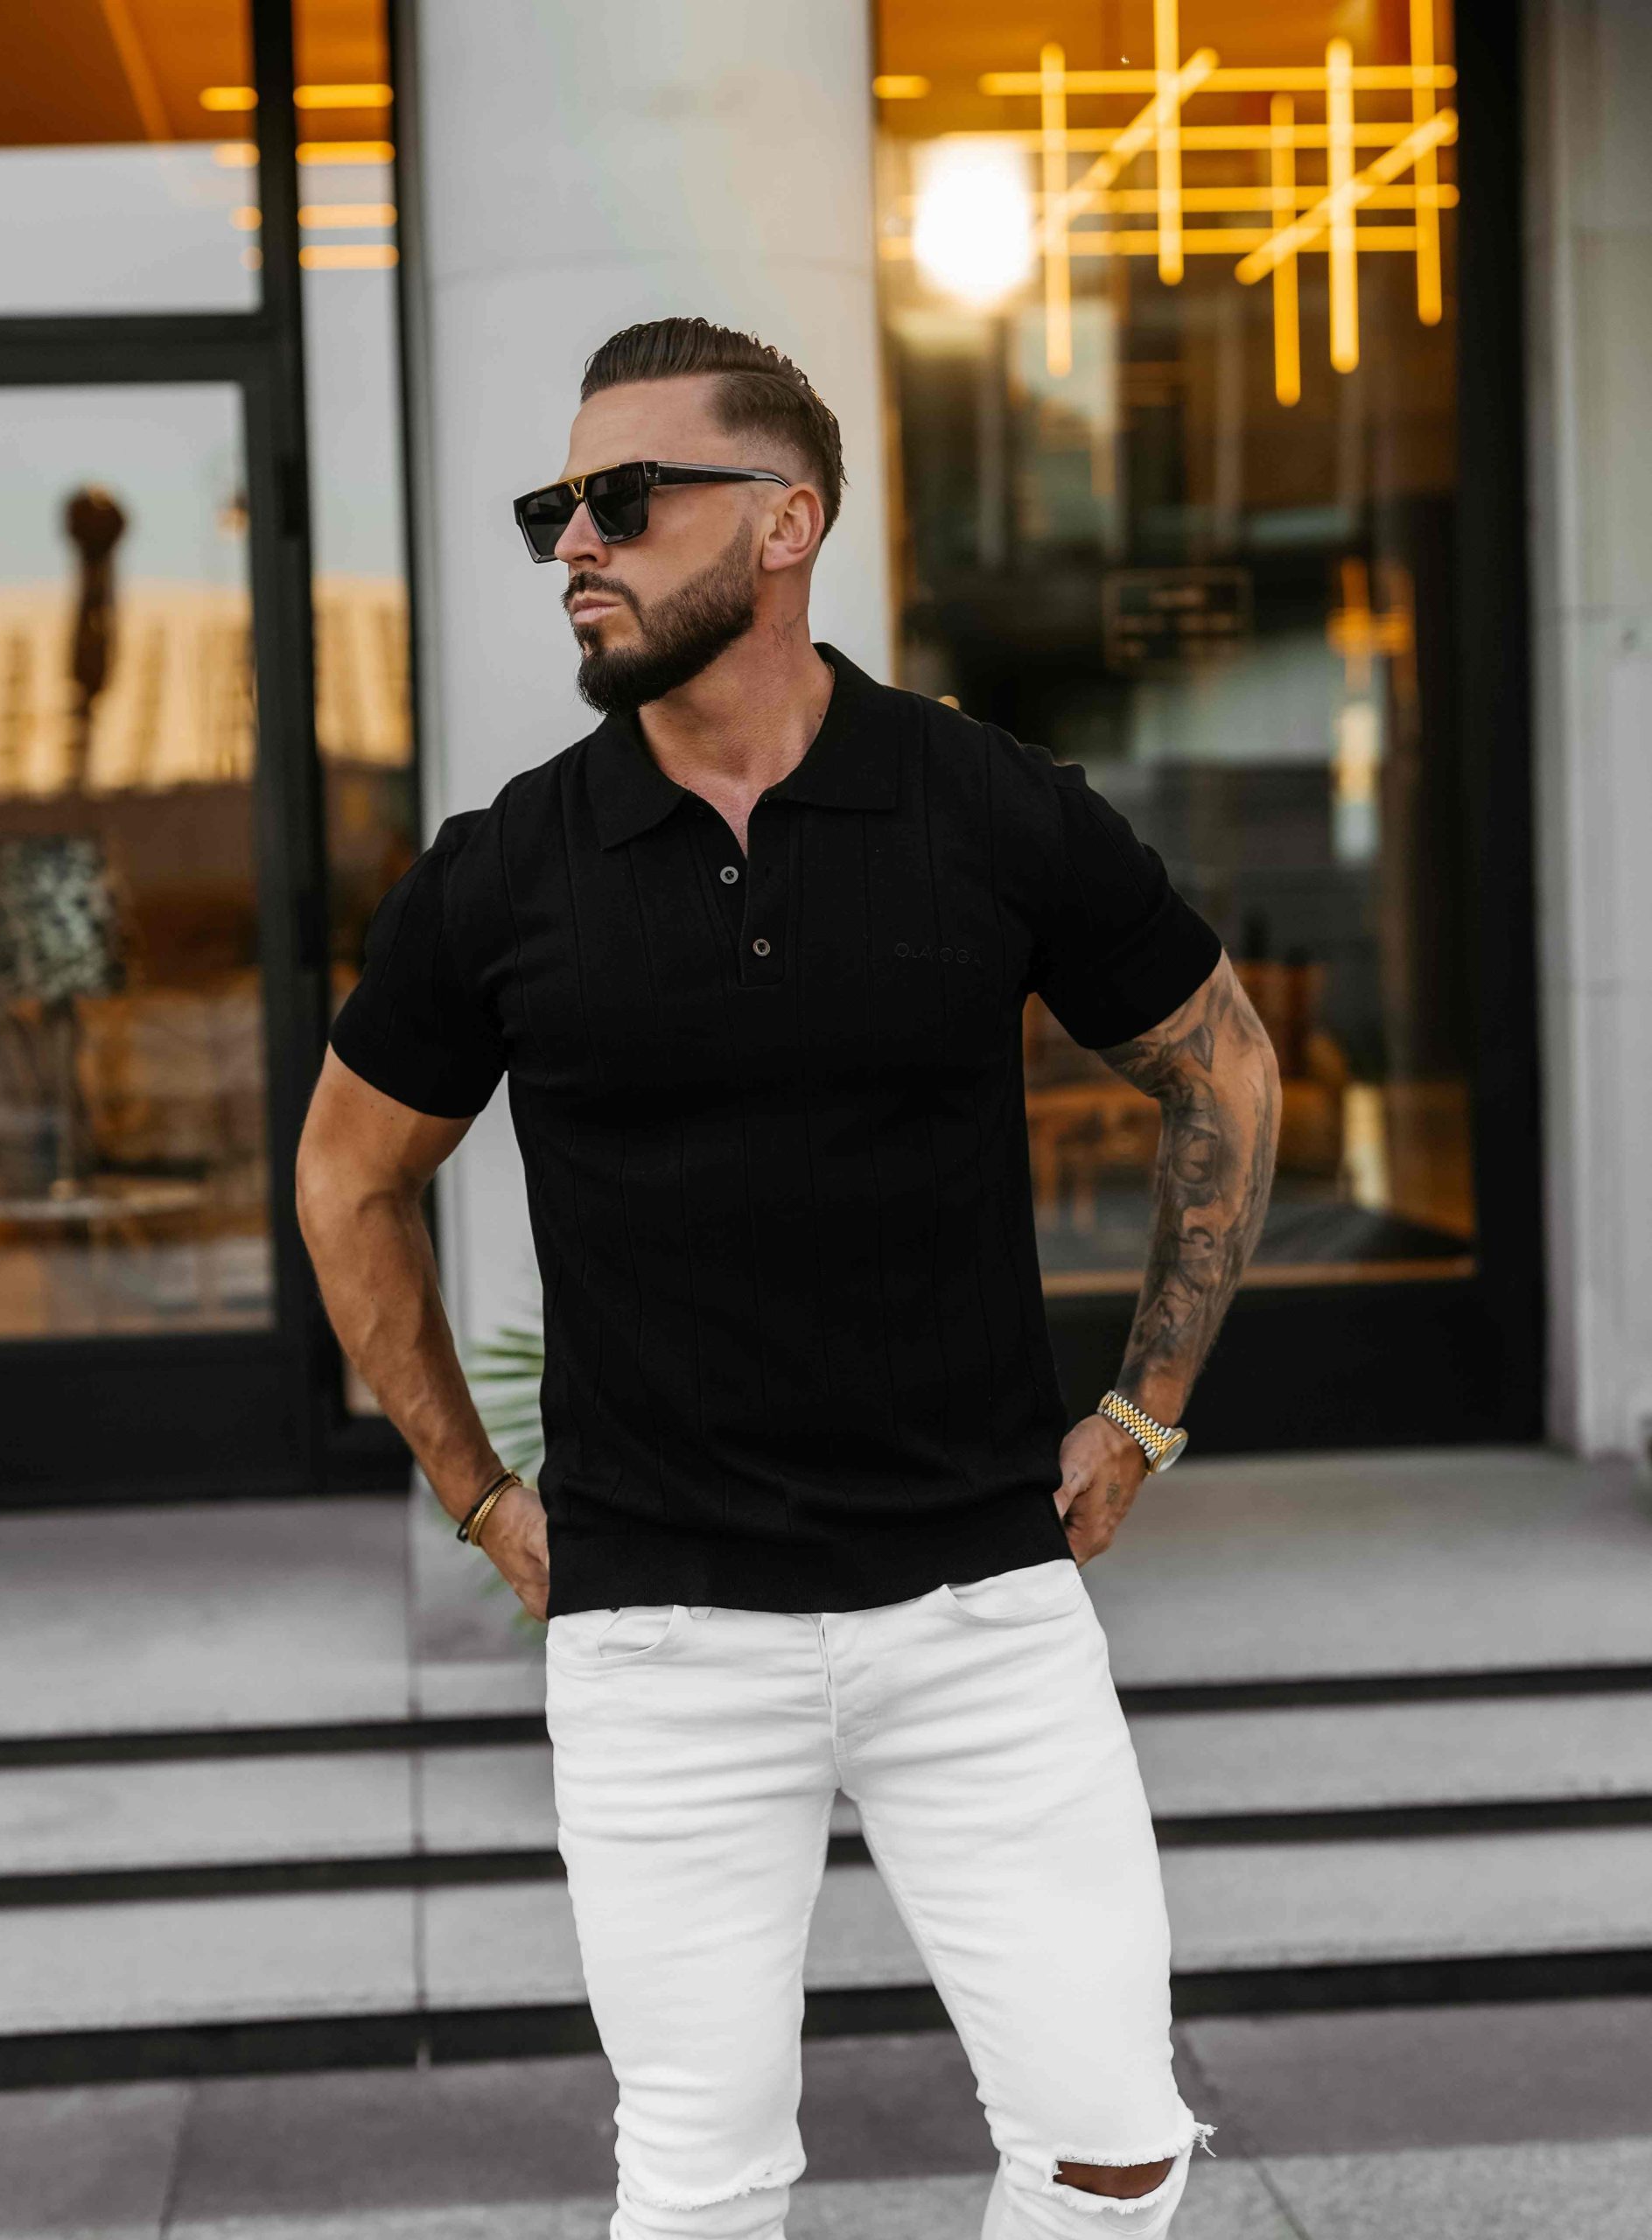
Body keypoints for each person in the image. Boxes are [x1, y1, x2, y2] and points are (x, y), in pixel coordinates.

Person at [296, 317, 1280, 2240]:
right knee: (701, 2185)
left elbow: (1221, 1066)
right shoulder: (510, 868)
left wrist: (1145, 1412)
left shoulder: (980, 802)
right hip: (663, 1642)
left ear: (784, 521)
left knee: (1111, 2147)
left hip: (980, 1610)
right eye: (555, 510)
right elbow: (349, 1172)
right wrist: (482, 1497)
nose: (577, 543)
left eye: (622, 498)